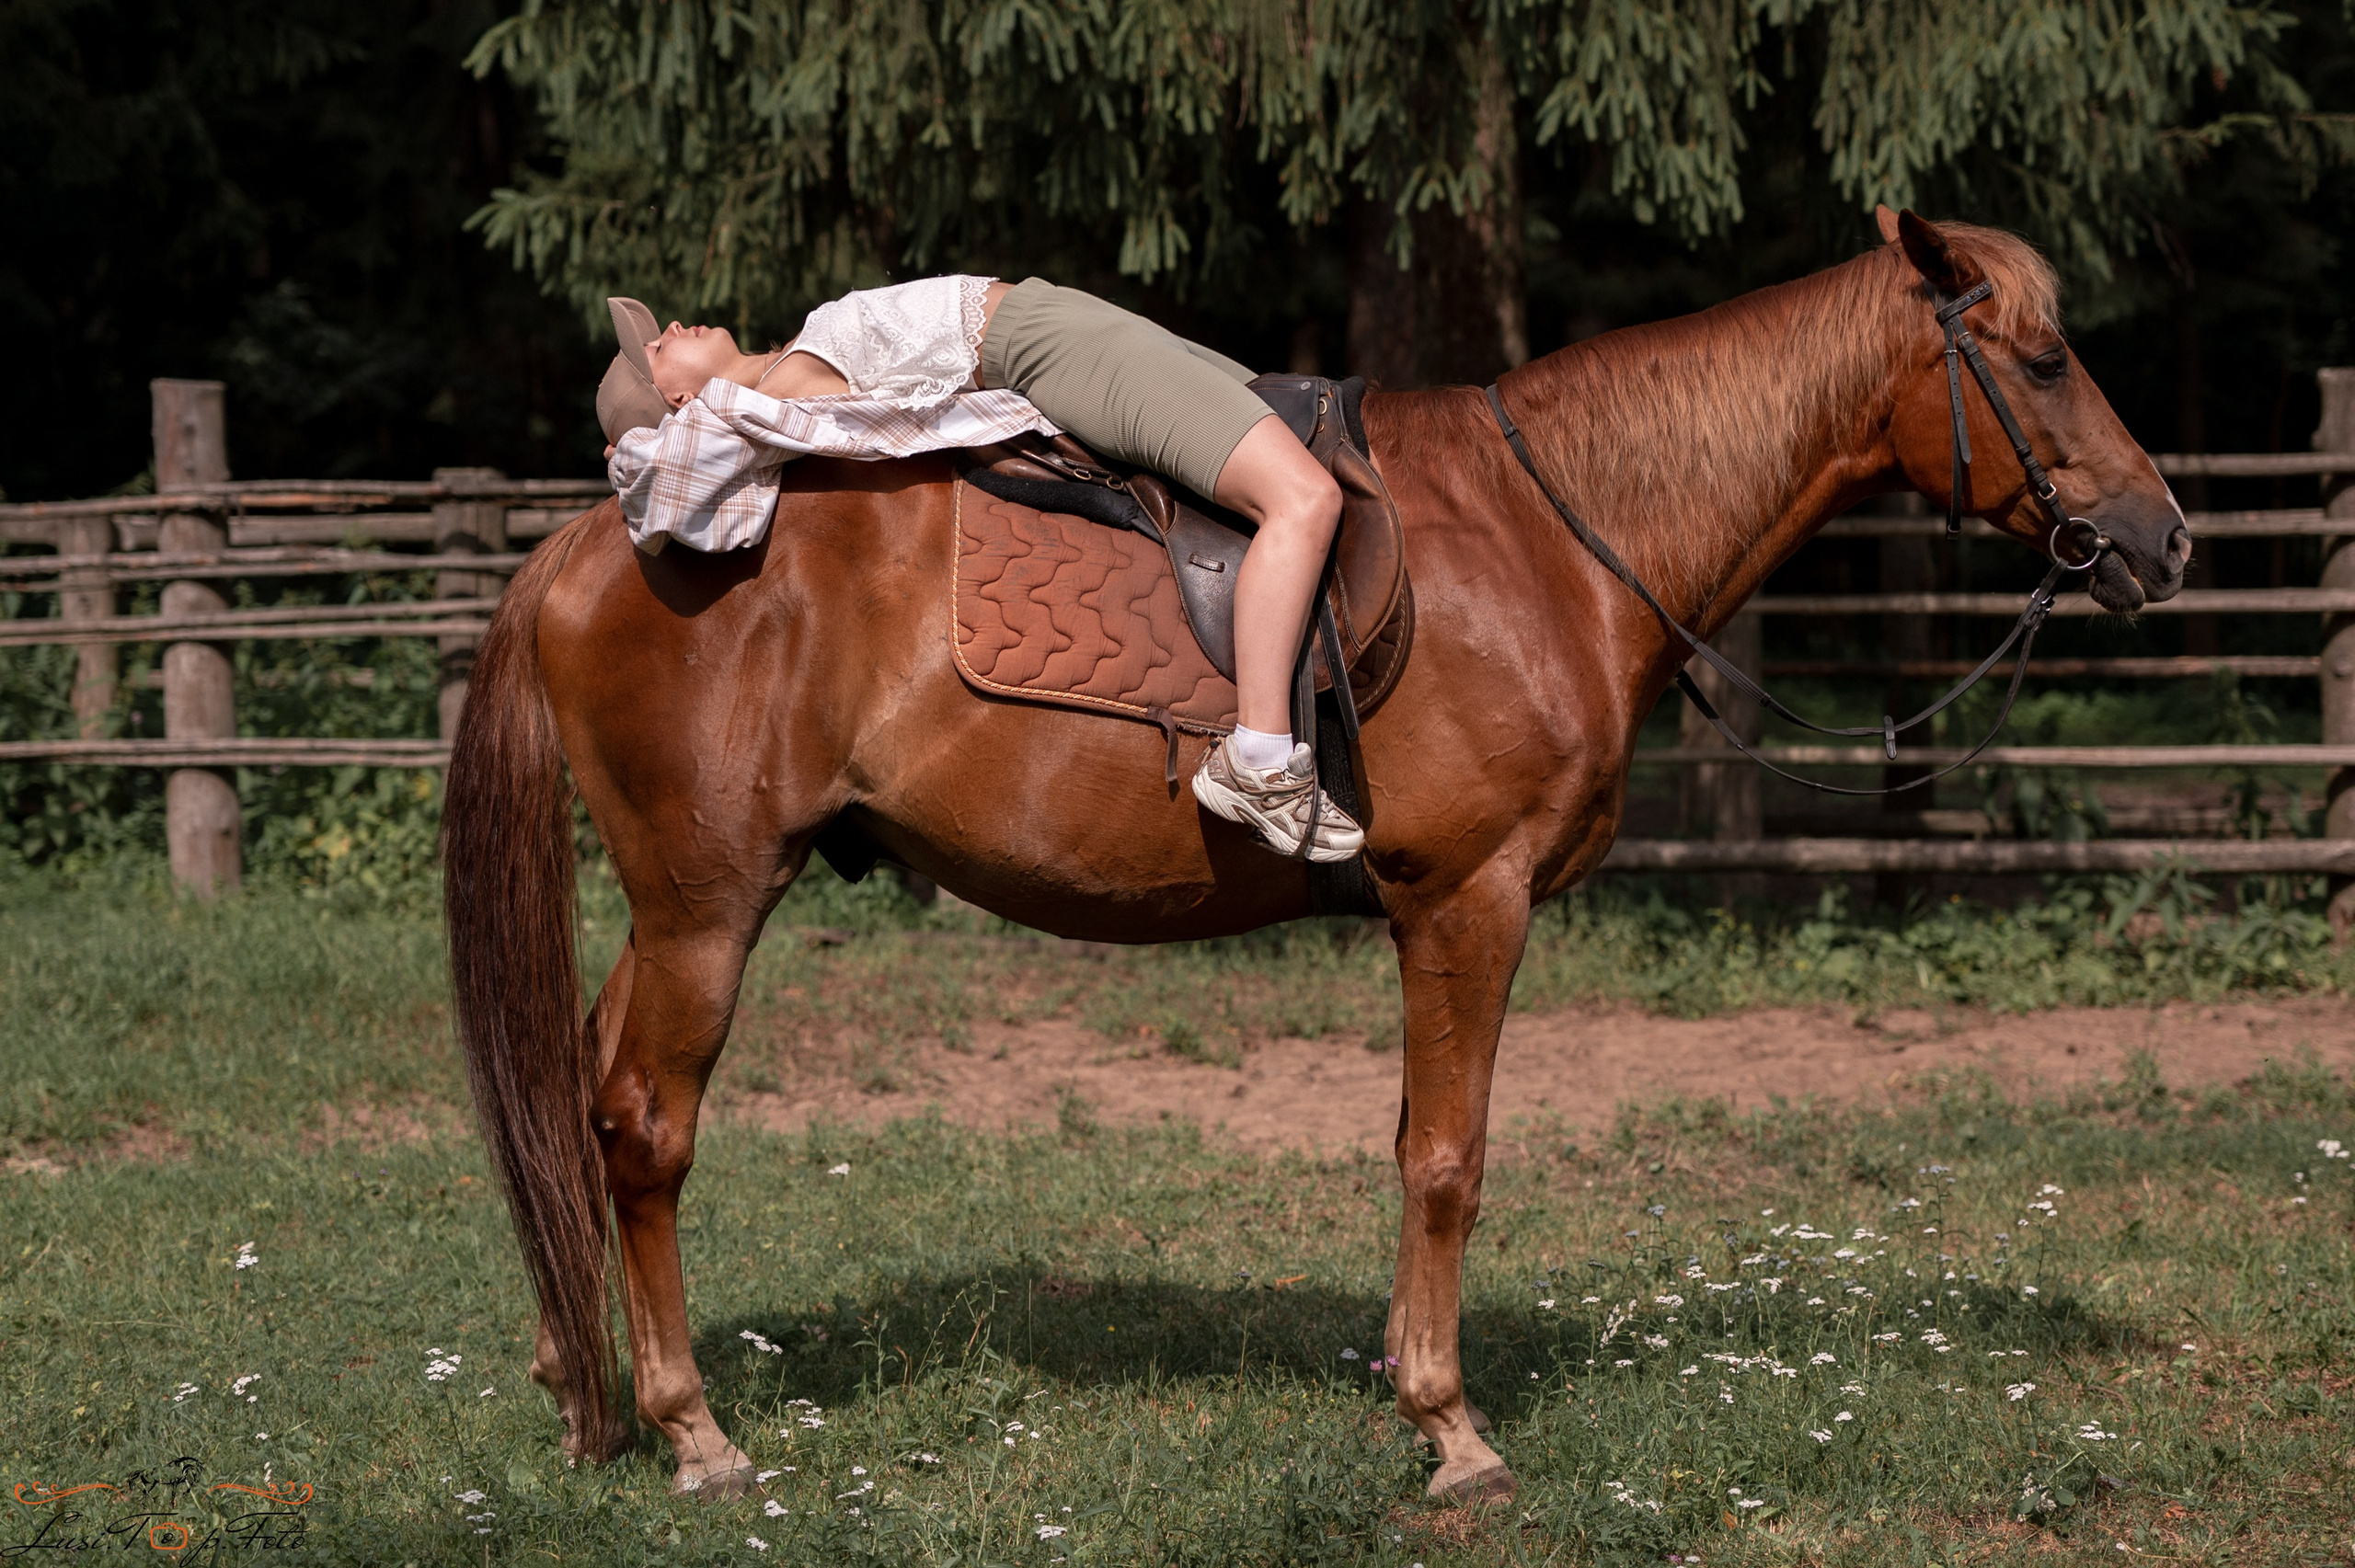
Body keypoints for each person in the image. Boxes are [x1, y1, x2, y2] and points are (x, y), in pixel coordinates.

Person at [594, 275, 1363, 864]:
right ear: (681, 398)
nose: (669, 326)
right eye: (656, 349)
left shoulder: (793, 360)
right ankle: (1260, 758)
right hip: (1048, 346)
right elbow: (708, 459)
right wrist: (650, 450)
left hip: (1054, 320)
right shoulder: (781, 395)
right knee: (1302, 497)